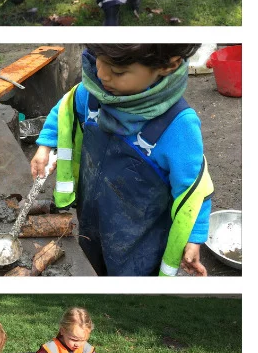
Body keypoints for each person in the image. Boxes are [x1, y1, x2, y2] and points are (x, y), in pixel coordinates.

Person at [32, 44, 211, 276]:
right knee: (91, 263)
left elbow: (193, 190)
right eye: (98, 59)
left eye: (118, 71)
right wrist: (45, 145)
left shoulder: (179, 127)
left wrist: (193, 239)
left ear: (168, 65)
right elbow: (65, 110)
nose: (102, 74)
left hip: (138, 239)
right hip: (91, 215)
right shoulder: (93, 91)